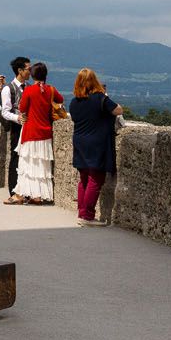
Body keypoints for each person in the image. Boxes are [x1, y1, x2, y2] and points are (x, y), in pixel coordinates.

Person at [68, 67, 122, 226]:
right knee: (96, 178)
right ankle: (87, 216)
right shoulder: (100, 98)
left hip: (79, 141)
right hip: (96, 142)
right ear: (94, 81)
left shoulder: (74, 102)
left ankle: (82, 212)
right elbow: (118, 110)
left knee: (83, 177)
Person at [15, 61, 63, 205]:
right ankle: (38, 196)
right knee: (42, 166)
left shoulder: (29, 90)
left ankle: (27, 193)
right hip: (45, 133)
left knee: (28, 164)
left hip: (30, 131)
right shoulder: (51, 90)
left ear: (33, 75)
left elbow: (22, 108)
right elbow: (60, 100)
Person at [1, 57, 32, 203]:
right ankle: (13, 190)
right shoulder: (9, 88)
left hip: (29, 128)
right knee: (15, 158)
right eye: (28, 69)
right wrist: (18, 118)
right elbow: (5, 111)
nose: (30, 72)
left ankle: (25, 191)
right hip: (16, 127)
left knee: (27, 159)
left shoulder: (30, 87)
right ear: (20, 70)